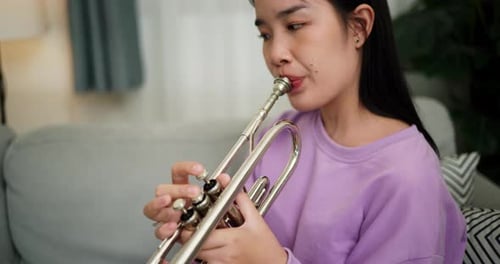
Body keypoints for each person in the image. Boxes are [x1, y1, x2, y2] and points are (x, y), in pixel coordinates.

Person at [143, 0, 467, 263]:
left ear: (358, 27)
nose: (275, 54)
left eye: (295, 26)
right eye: (265, 34)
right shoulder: (282, 131)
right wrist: (202, 226)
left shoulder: (408, 175)